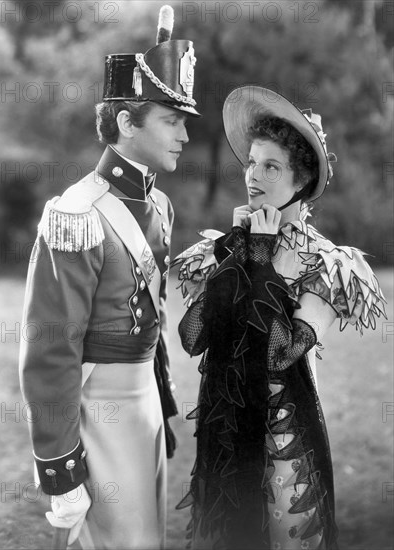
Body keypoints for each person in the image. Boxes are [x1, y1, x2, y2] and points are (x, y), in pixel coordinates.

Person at [172, 86, 386, 550]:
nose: (253, 175)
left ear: (301, 181)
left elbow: (279, 352)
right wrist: (237, 258)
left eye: (271, 166)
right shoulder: (227, 248)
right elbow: (192, 337)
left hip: (283, 443)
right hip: (223, 436)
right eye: (251, 162)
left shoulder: (327, 263)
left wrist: (262, 261)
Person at [19, 6, 200, 549]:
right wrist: (60, 465)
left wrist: (161, 406)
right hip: (99, 409)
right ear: (126, 122)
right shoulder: (76, 213)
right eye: (172, 121)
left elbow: (155, 320)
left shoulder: (160, 206)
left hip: (144, 403)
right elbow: (50, 349)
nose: (184, 137)